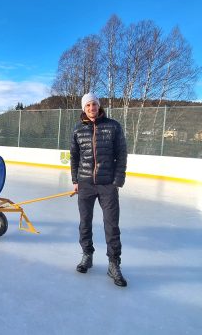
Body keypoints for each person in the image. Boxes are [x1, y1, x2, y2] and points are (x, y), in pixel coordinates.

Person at [70, 92, 128, 287]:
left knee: (112, 225)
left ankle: (114, 263)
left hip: (107, 184)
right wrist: (75, 180)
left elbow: (121, 154)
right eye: (87, 106)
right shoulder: (78, 130)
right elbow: (74, 157)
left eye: (94, 104)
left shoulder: (113, 127)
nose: (91, 108)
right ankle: (87, 255)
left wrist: (118, 180)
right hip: (85, 183)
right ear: (83, 109)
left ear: (99, 106)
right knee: (84, 222)